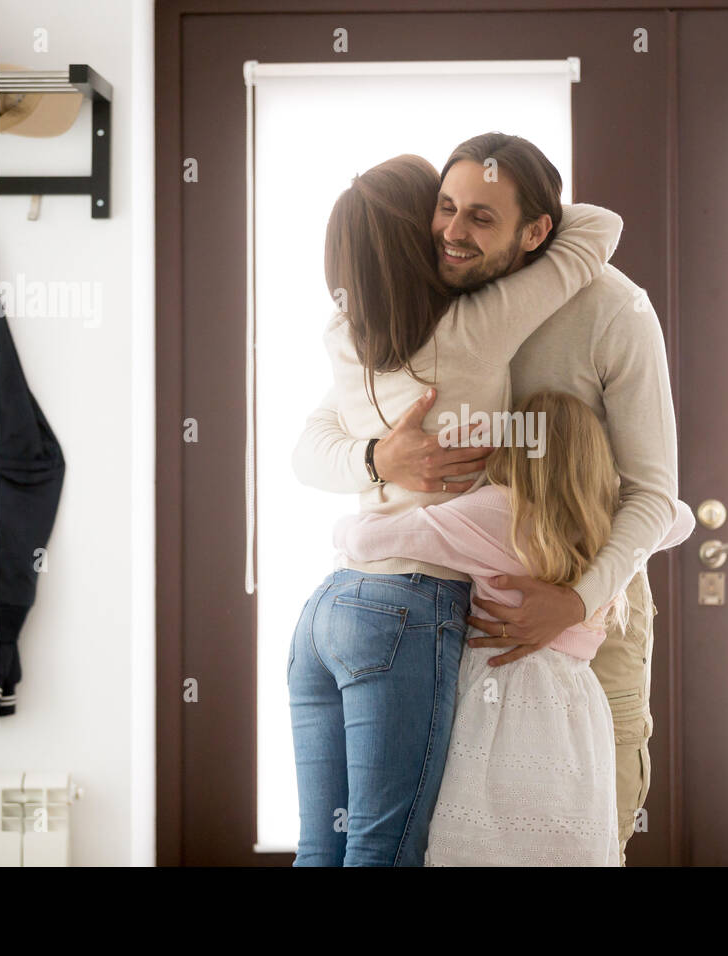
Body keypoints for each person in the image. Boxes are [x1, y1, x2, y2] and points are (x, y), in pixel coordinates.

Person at [293, 133, 679, 864]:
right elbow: (313, 445)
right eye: (444, 209)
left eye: (479, 217)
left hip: (584, 609)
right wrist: (380, 457)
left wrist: (576, 599)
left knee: (590, 828)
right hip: (447, 614)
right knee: (451, 834)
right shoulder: (427, 305)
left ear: (537, 232)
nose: (450, 233)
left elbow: (656, 495)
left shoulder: (612, 310)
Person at [332, 390, 694, 865]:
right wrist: (604, 485)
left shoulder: (496, 511)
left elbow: (362, 538)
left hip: (496, 701)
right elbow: (679, 518)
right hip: (578, 711)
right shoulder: (612, 525)